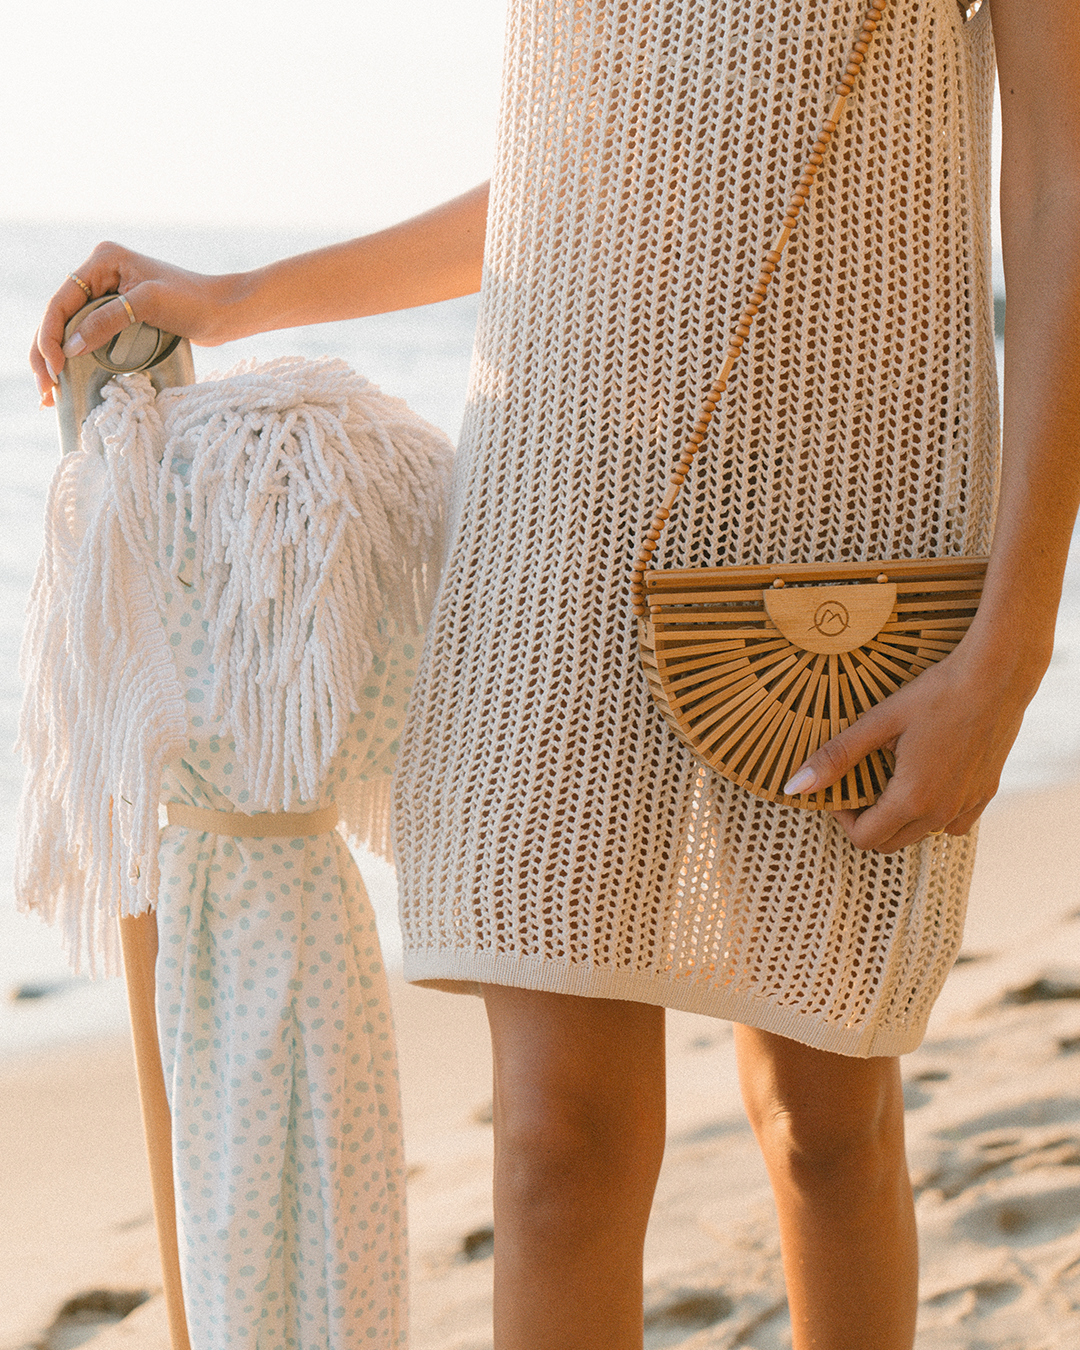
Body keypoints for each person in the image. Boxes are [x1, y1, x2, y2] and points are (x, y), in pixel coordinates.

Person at [32, 0, 1080, 1346]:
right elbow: (574, 164)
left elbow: (1057, 172)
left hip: (852, 532)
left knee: (827, 1127)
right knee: (552, 1149)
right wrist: (241, 295)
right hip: (556, 507)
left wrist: (1012, 645)